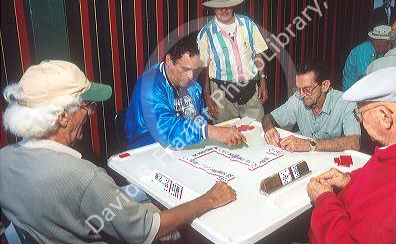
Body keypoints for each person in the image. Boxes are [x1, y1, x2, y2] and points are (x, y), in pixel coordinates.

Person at [0, 60, 236, 244]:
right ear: (62, 117)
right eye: (86, 105)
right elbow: (149, 231)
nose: (91, 113)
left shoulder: (4, 158)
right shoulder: (85, 177)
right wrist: (210, 198)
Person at [307, 67, 396, 243]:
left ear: (385, 117)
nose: (360, 121)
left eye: (360, 114)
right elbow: (381, 177)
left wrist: (324, 199)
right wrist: (349, 181)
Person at [125, 36, 246, 149]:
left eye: (194, 69)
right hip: (149, 151)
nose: (191, 76)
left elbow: (197, 119)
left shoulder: (192, 83)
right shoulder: (148, 86)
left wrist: (218, 128)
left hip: (183, 147)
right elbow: (166, 131)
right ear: (169, 60)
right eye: (185, 69)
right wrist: (212, 131)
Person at [197, 0, 269, 123]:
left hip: (250, 90)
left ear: (233, 5)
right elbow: (204, 68)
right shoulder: (206, 33)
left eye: (227, 5)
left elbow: (258, 55)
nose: (223, 10)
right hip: (222, 93)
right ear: (213, 8)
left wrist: (262, 81)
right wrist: (207, 96)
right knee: (225, 137)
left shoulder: (248, 24)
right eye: (219, 6)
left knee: (259, 132)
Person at [262, 61, 361, 152]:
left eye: (307, 89)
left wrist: (310, 145)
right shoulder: (297, 99)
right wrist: (269, 128)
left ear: (324, 85)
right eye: (298, 89)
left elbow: (355, 143)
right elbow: (268, 118)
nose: (302, 95)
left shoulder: (346, 103)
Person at [342, 25, 391, 90]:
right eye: (388, 43)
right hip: (352, 96)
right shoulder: (362, 51)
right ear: (378, 41)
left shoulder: (379, 53)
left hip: (361, 92)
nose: (390, 46)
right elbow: (365, 79)